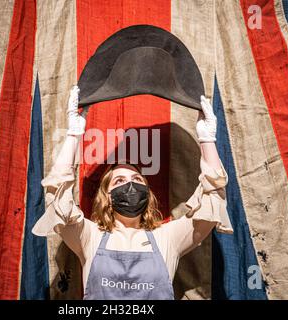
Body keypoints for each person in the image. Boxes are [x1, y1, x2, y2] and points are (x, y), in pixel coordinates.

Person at [32, 86, 233, 300]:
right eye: (120, 181)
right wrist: (73, 134)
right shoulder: (89, 236)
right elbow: (57, 197)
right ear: (107, 196)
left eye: (137, 180)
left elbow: (213, 202)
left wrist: (207, 139)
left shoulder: (168, 238)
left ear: (147, 193)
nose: (130, 185)